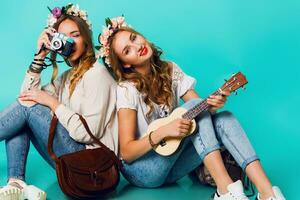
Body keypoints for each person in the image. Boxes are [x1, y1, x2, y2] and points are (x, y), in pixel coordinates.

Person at [96, 16, 285, 200]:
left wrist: (213, 105)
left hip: (172, 167)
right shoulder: (127, 89)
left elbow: (200, 110)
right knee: (195, 107)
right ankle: (226, 191)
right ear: (125, 63)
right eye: (127, 50)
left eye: (134, 38)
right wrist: (163, 132)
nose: (137, 47)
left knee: (223, 117)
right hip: (143, 171)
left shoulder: (170, 69)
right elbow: (127, 153)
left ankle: (267, 193)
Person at [0, 4, 118, 200]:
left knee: (27, 110)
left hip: (92, 165)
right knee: (24, 113)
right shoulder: (68, 77)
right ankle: (16, 183)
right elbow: (26, 98)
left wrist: (54, 104)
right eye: (62, 38)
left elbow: (88, 134)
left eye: (75, 35)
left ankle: (17, 181)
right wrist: (40, 56)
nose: (69, 42)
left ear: (86, 39)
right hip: (71, 161)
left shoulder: (97, 74)